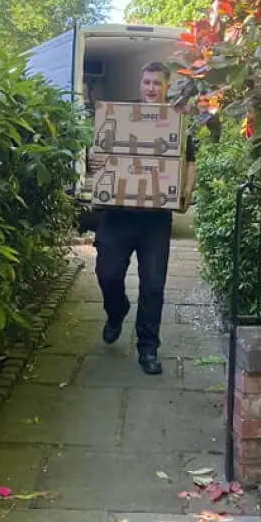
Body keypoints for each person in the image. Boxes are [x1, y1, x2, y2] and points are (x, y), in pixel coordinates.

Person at [89, 62, 197, 375]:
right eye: (146, 82)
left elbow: (189, 163)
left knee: (153, 286)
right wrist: (93, 159)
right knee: (107, 275)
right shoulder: (121, 116)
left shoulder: (174, 121)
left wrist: (185, 194)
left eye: (157, 84)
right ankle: (116, 310)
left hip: (154, 221)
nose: (150, 88)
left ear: (167, 87)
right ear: (141, 84)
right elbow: (97, 153)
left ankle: (148, 347)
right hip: (117, 217)